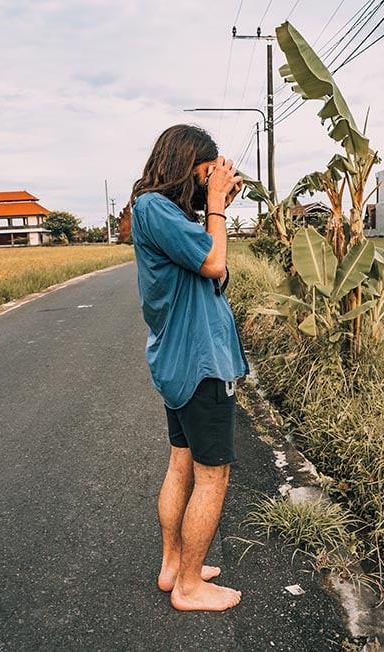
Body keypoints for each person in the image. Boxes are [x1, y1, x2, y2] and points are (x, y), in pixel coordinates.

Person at [129, 124, 249, 612]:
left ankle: (175, 567)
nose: (208, 183)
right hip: (200, 363)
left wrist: (217, 203)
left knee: (181, 464)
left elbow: (201, 247)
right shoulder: (156, 208)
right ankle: (190, 587)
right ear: (187, 165)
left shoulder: (155, 210)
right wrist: (217, 202)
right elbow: (214, 263)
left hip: (179, 361)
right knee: (212, 475)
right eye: (204, 173)